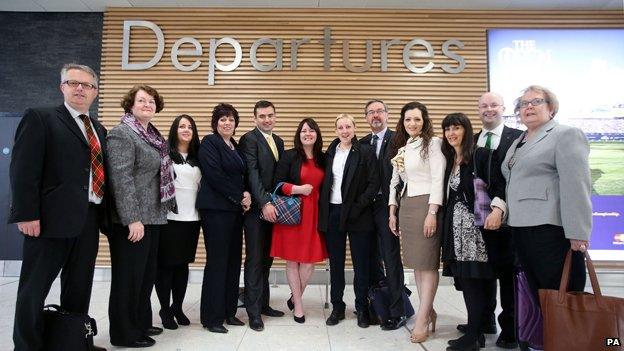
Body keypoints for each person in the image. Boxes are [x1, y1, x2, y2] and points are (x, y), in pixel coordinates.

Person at [10, 63, 108, 351]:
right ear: (62, 86)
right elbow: (23, 169)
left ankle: (73, 342)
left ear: (95, 92)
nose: (80, 88)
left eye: (86, 85)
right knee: (34, 288)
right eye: (73, 82)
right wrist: (27, 212)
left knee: (79, 287)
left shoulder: (98, 128)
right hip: (50, 219)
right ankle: (26, 346)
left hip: (88, 218)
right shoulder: (41, 118)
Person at [501, 86, 591, 340]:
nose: (528, 107)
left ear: (551, 107)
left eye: (536, 102)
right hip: (521, 229)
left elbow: (576, 185)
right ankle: (555, 342)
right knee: (543, 298)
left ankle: (579, 342)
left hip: (552, 231)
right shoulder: (520, 141)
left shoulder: (565, 135)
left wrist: (578, 232)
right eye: (523, 104)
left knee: (563, 299)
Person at [107, 84, 175, 348]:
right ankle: (124, 334)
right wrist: (131, 218)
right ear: (130, 105)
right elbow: (121, 179)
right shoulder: (122, 134)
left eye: (151, 101)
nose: (148, 105)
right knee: (128, 279)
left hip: (154, 216)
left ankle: (138, 324)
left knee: (145, 277)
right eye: (142, 101)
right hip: (132, 220)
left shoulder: (154, 137)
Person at [455, 92, 522, 349]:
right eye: (484, 106)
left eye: (494, 105)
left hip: (507, 220)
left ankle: (510, 329)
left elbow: (512, 180)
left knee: (507, 275)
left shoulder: (517, 138)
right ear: (478, 109)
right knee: (482, 273)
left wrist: (499, 208)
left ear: (503, 108)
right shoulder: (471, 141)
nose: (489, 109)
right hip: (476, 221)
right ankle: (484, 321)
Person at [440, 113, 507, 351]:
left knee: (474, 281)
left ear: (467, 130)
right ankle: (478, 325)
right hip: (457, 230)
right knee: (470, 280)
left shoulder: (480, 155)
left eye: (456, 128)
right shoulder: (451, 159)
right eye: (447, 129)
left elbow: (500, 185)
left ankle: (474, 336)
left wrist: (498, 210)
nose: (451, 133)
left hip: (475, 231)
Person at [388, 101, 446, 343]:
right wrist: (392, 211)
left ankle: (422, 318)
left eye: (417, 119)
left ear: (425, 121)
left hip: (426, 205)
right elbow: (395, 181)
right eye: (408, 119)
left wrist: (432, 212)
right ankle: (427, 310)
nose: (412, 123)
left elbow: (438, 179)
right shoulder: (404, 147)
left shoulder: (433, 144)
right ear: (403, 122)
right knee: (416, 264)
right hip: (407, 205)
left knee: (428, 262)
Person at [318, 114, 380, 328]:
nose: (344, 131)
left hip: (358, 214)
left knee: (360, 264)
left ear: (354, 128)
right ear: (335, 130)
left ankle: (361, 307)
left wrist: (357, 206)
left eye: (348, 127)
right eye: (340, 127)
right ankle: (337, 306)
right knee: (336, 264)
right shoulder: (329, 153)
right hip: (334, 213)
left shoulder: (365, 151)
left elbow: (373, 183)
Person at [197, 103, 251, 334]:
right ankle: (212, 317)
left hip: (234, 212)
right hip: (216, 211)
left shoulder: (235, 146)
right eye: (222, 119)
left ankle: (230, 312)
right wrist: (240, 196)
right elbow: (214, 175)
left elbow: (242, 175)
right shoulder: (209, 143)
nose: (227, 123)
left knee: (232, 262)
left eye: (230, 119)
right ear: (215, 122)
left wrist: (246, 193)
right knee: (218, 263)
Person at [271, 118, 328, 324]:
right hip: (293, 213)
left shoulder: (324, 158)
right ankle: (299, 306)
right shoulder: (289, 156)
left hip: (316, 214)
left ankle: (294, 297)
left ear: (316, 134)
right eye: (304, 130)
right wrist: (297, 189)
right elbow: (276, 183)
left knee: (309, 262)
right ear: (299, 134)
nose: (307, 134)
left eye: (311, 130)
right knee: (292, 260)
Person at [359, 99, 407, 330]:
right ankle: (374, 306)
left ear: (387, 115)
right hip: (366, 208)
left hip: (389, 207)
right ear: (366, 118)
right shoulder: (362, 143)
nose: (375, 115)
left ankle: (398, 311)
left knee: (390, 257)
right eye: (371, 112)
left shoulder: (399, 140)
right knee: (369, 259)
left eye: (379, 111)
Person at [238, 100, 285, 332]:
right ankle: (253, 313)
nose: (267, 119)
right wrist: (264, 202)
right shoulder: (249, 139)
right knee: (255, 260)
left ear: (275, 117)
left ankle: (264, 304)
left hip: (274, 211)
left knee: (267, 259)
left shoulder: (278, 141)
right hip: (257, 211)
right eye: (262, 116)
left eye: (270, 115)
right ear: (254, 118)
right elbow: (252, 173)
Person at [155, 114, 201, 330]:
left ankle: (177, 307)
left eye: (190, 127)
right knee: (166, 267)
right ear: (175, 130)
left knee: (183, 266)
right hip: (169, 219)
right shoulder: (164, 154)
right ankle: (165, 309)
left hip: (192, 219)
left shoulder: (198, 156)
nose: (186, 130)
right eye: (182, 126)